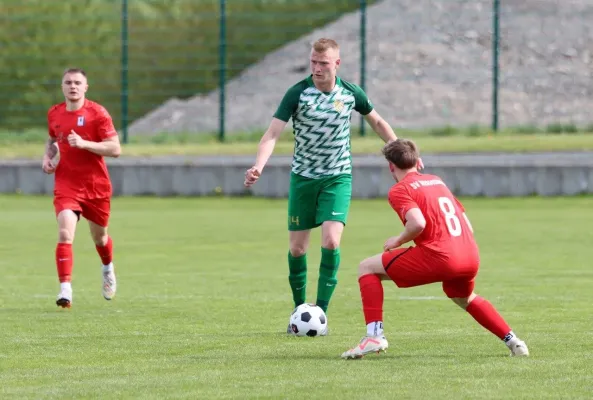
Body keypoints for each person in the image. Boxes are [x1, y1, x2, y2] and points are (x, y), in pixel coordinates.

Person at [243, 37, 405, 334]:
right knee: (297, 249)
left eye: (323, 64)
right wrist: (258, 166)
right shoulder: (297, 94)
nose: (317, 69)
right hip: (303, 179)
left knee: (331, 241)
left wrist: (401, 154)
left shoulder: (350, 93)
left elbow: (378, 123)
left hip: (337, 177)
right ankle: (298, 311)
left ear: (337, 65)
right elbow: (272, 134)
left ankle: (321, 313)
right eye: (313, 63)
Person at [341, 139, 529, 359]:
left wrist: (397, 241)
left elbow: (417, 223)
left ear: (391, 166)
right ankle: (514, 342)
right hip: (469, 254)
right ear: (418, 162)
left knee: (367, 268)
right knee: (463, 297)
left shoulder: (399, 189)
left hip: (442, 256)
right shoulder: (437, 181)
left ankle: (374, 336)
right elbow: (466, 224)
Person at [42, 67, 122, 308]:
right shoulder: (54, 113)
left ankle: (107, 268)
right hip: (67, 184)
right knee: (65, 232)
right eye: (68, 82)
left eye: (77, 82)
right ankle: (65, 290)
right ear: (62, 87)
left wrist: (84, 143)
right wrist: (47, 157)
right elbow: (53, 139)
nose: (73, 86)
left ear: (86, 87)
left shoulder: (97, 113)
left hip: (96, 186)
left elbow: (115, 149)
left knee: (100, 238)